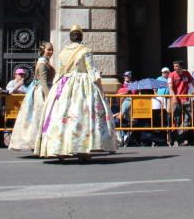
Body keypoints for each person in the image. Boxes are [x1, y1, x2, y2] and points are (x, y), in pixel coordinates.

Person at [39, 26, 116, 161]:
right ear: (81, 37)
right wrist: (101, 90)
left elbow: (59, 73)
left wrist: (54, 92)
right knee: (82, 116)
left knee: (61, 116)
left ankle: (60, 148)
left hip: (64, 84)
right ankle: (82, 150)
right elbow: (92, 72)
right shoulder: (86, 51)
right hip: (82, 85)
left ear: (70, 37)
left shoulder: (63, 52)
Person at [10, 41, 55, 154]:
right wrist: (48, 96)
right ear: (43, 50)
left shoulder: (45, 62)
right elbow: (43, 82)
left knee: (39, 118)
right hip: (41, 92)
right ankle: (37, 143)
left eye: (52, 49)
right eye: (48, 49)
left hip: (40, 90)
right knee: (40, 118)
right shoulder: (42, 63)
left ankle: (40, 144)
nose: (50, 52)